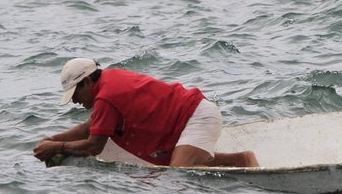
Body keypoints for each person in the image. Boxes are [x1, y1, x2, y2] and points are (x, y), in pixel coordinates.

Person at [33, 58, 259, 168]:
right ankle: (241, 160)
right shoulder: (108, 82)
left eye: (74, 94)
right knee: (181, 166)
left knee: (178, 178)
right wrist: (51, 139)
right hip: (190, 116)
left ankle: (244, 159)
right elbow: (87, 127)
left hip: (196, 116)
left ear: (85, 82)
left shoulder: (105, 97)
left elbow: (94, 145)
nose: (73, 101)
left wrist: (57, 147)